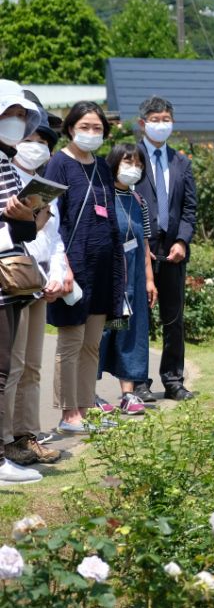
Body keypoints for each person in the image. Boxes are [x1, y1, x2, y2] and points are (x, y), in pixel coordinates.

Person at [44, 101, 126, 435]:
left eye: (97, 128)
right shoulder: (58, 165)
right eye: (85, 127)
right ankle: (68, 413)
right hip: (72, 266)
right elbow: (51, 220)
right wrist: (61, 265)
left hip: (103, 266)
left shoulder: (103, 167)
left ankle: (86, 406)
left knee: (92, 342)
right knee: (70, 342)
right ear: (70, 127)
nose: (92, 133)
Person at [3, 94, 68, 465]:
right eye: (31, 139)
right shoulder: (6, 174)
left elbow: (53, 239)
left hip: (36, 281)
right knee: (10, 365)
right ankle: (6, 439)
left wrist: (56, 274)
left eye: (43, 140)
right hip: (11, 278)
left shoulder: (40, 185)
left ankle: (27, 434)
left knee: (31, 365)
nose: (36, 146)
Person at [132, 96, 196, 402]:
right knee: (139, 318)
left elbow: (189, 208)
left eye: (166, 119)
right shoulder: (131, 159)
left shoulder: (181, 162)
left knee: (174, 318)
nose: (162, 124)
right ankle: (138, 382)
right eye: (155, 119)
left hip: (173, 251)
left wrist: (183, 240)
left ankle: (173, 380)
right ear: (142, 123)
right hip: (140, 248)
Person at [0, 84, 44, 483]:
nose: (16, 121)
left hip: (8, 281)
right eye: (9, 112)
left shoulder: (5, 161)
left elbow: (22, 230)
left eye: (20, 114)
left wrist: (27, 215)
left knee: (3, 368)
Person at [98, 144, 157, 415]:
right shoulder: (102, 196)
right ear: (113, 163)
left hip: (133, 274)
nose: (133, 168)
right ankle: (89, 391)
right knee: (103, 331)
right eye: (127, 161)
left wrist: (149, 280)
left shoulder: (138, 201)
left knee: (131, 331)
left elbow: (144, 243)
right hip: (109, 274)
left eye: (138, 164)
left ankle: (128, 394)